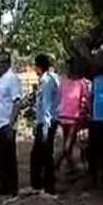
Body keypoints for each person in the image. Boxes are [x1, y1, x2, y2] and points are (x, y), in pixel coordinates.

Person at [0, 51, 23, 199]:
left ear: (8, 63)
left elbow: (17, 102)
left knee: (9, 158)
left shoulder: (12, 79)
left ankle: (13, 188)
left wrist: (11, 122)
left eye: (1, 63)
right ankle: (4, 186)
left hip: (6, 125)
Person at [29, 54, 60, 197]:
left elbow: (47, 105)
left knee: (46, 155)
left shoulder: (47, 81)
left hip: (47, 123)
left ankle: (49, 188)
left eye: (35, 65)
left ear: (39, 66)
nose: (34, 68)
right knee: (37, 155)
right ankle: (37, 185)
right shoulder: (46, 80)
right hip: (43, 122)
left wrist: (45, 128)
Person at [57, 60, 90, 179]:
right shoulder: (64, 82)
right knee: (68, 145)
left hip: (74, 118)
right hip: (63, 117)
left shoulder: (81, 83)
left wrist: (84, 113)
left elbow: (85, 100)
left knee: (67, 146)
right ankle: (71, 169)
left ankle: (65, 167)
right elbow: (60, 97)